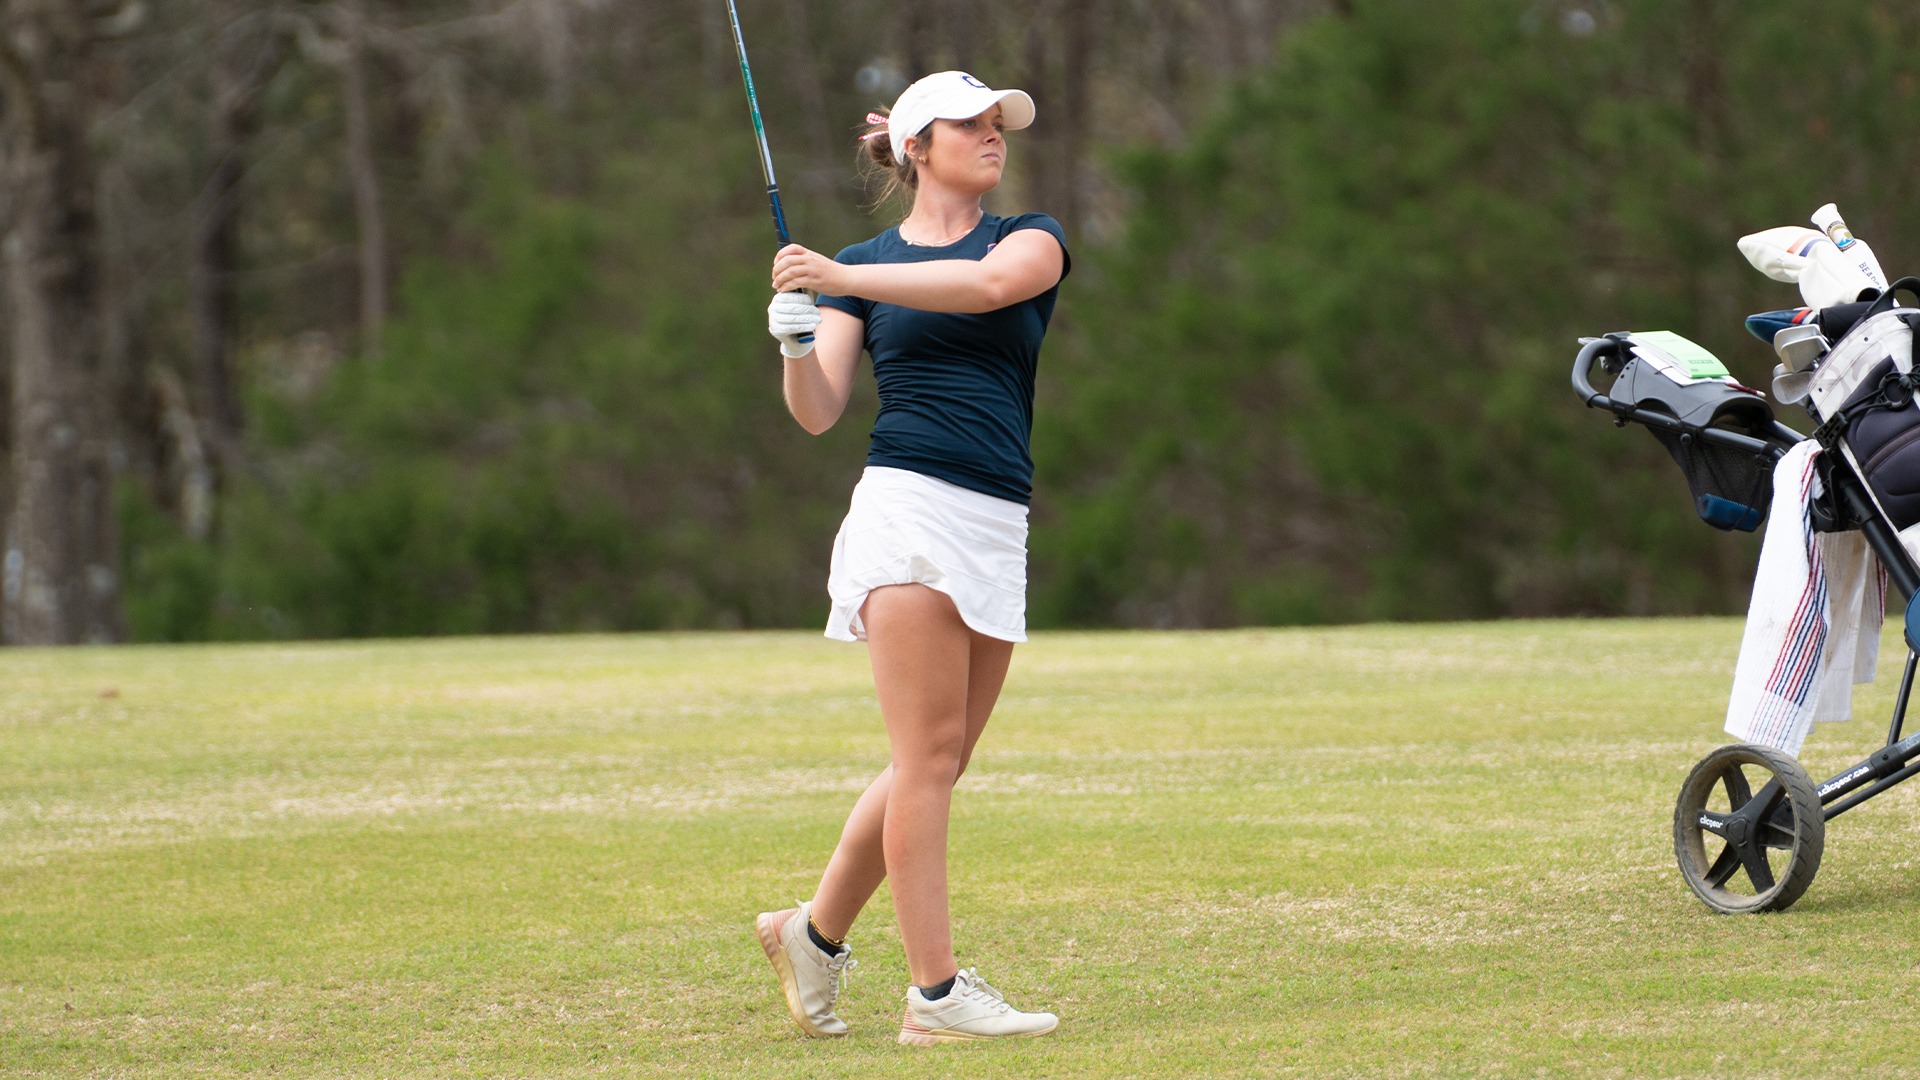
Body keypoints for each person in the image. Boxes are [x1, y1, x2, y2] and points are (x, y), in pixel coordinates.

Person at [753, 70, 1070, 1046]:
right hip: (906, 509)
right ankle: (935, 1000)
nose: (991, 136)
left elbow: (982, 291)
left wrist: (837, 282)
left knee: (937, 759)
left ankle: (809, 934)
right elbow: (817, 414)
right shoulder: (860, 263)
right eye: (967, 125)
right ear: (917, 149)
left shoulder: (1030, 239)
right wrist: (797, 340)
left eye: (996, 124)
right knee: (926, 758)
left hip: (994, 520)